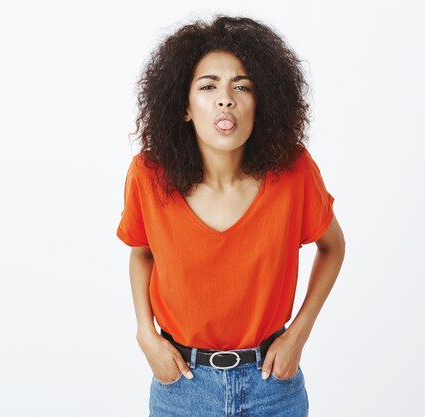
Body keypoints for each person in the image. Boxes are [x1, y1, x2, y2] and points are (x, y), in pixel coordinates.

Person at [116, 14, 346, 417]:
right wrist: (145, 334)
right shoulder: (148, 176)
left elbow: (332, 246)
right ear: (184, 107)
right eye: (208, 86)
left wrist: (299, 332)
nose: (226, 98)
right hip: (181, 386)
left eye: (242, 86)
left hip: (272, 387)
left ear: (263, 104)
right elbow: (142, 251)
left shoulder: (293, 174)